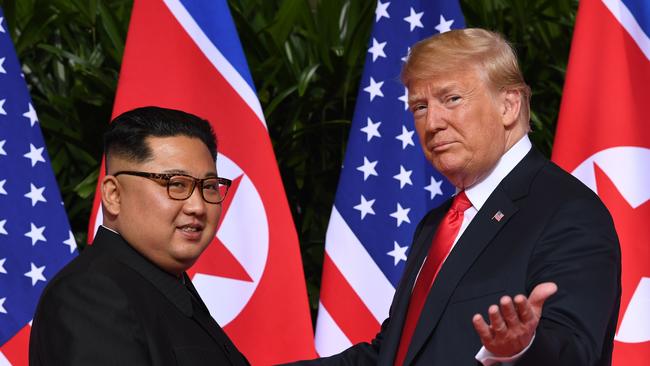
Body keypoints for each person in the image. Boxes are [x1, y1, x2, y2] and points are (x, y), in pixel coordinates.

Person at [292, 29, 621, 365]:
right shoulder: (436, 224)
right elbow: (390, 355)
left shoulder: (567, 211)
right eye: (419, 106)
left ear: (508, 106)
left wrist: (522, 349)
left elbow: (576, 352)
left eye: (451, 99)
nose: (432, 123)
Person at [29, 106, 249, 366]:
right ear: (114, 195)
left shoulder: (167, 286)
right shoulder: (90, 294)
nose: (198, 206)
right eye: (176, 184)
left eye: (210, 187)